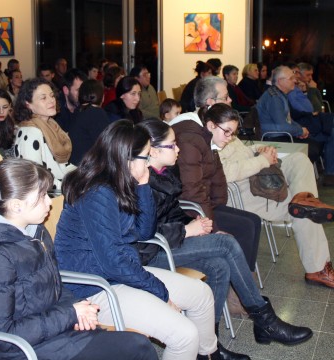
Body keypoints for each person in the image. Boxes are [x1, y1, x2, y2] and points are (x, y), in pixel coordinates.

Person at [138, 117, 313, 360]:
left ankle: (208, 348)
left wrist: (195, 225)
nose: (178, 149)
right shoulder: (138, 180)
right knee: (227, 243)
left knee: (219, 265)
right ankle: (264, 318)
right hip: (149, 254)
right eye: (172, 145)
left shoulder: (163, 173)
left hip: (168, 242)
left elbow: (170, 212)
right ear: (153, 150)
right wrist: (187, 230)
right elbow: (139, 235)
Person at [0, 158, 157, 360]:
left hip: (50, 330)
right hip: (21, 348)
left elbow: (52, 286)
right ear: (16, 206)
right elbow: (3, 335)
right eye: (41, 197)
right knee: (137, 348)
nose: (49, 202)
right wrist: (69, 314)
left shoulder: (34, 232)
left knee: (132, 346)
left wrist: (78, 306)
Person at [55, 119, 221, 359]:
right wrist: (161, 293)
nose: (150, 160)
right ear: (126, 159)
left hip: (119, 274)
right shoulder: (97, 192)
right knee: (184, 335)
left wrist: (143, 186)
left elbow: (144, 233)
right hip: (94, 288)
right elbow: (113, 261)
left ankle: (208, 355)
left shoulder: (121, 181)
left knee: (202, 295)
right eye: (146, 155)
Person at [218, 127, 334, 288]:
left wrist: (259, 149)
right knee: (306, 215)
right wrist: (262, 160)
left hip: (259, 176)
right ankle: (317, 269)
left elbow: (242, 152)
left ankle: (302, 200)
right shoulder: (209, 136)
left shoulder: (221, 125)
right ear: (210, 101)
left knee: (299, 159)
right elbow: (225, 172)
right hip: (248, 192)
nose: (230, 99)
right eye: (224, 99)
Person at [170, 77, 261, 273]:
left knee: (252, 221)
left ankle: (241, 286)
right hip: (188, 211)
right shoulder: (191, 136)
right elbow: (192, 189)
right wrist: (214, 226)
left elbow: (216, 178)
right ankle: (238, 292)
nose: (230, 101)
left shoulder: (209, 132)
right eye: (226, 97)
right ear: (210, 105)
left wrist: (219, 207)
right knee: (245, 227)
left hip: (205, 205)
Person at [256, 65, 327, 179]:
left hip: (283, 134)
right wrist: (299, 131)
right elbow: (281, 126)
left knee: (314, 143)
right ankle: (294, 177)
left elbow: (288, 120)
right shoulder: (274, 97)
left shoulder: (280, 94)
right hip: (274, 137)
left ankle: (299, 176)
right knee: (312, 148)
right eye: (291, 78)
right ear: (280, 81)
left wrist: (301, 129)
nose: (295, 80)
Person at [13, 77, 76, 191]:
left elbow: (62, 166)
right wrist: (71, 187)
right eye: (43, 98)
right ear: (28, 105)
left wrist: (84, 176)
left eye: (52, 96)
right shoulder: (31, 131)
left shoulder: (51, 125)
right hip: (47, 193)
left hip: (59, 187)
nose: (51, 100)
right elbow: (35, 178)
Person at [68, 79, 110, 166]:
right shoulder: (97, 113)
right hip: (89, 168)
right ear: (102, 97)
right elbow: (107, 145)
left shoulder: (77, 112)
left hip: (74, 165)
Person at [56, 68, 87, 132]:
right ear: (66, 90)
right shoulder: (56, 113)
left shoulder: (86, 108)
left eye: (84, 89)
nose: (82, 94)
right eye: (78, 90)